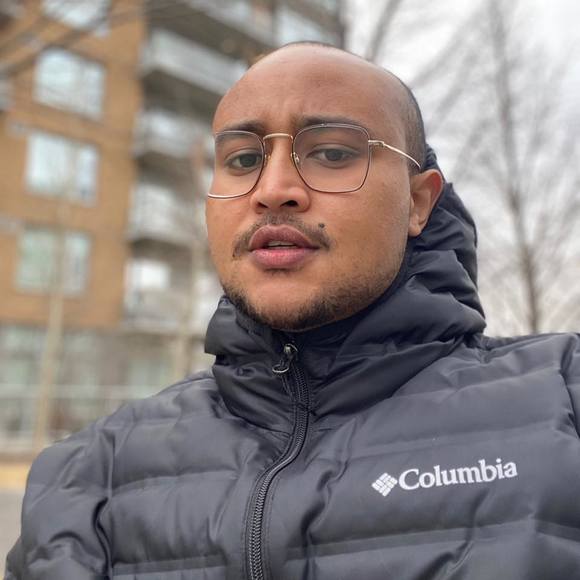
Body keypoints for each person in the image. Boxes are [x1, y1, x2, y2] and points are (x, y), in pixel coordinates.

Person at [5, 43, 580, 580]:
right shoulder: (92, 477)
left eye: (332, 153)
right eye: (242, 158)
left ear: (418, 201)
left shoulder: (563, 398)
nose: (274, 188)